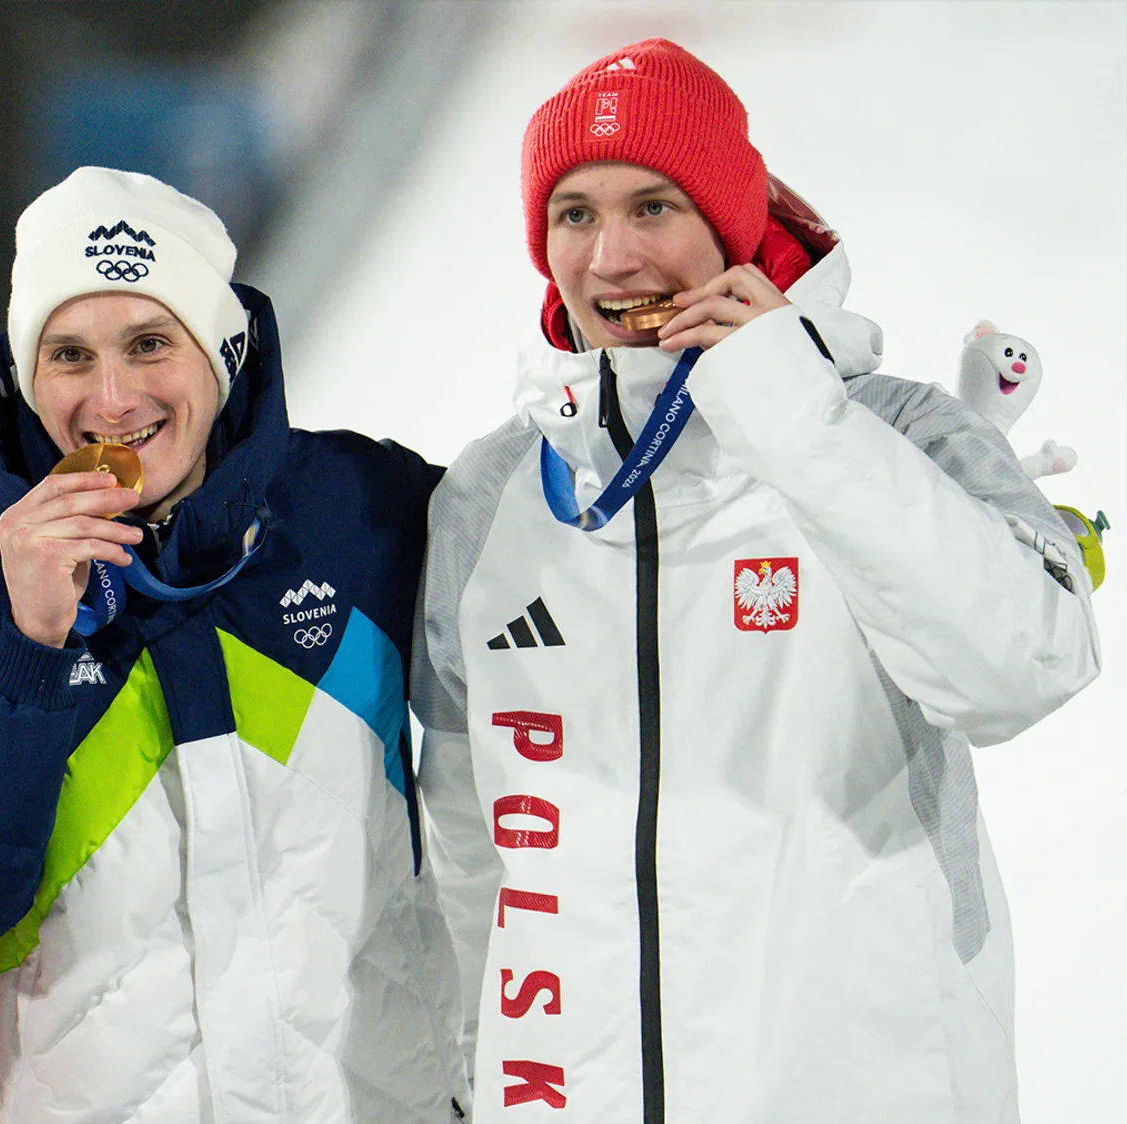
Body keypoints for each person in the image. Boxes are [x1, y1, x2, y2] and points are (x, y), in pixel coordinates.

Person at [412, 40, 1101, 1122]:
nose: (611, 258)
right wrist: (467, 1074)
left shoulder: (895, 428)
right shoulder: (489, 495)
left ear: (729, 226)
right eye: (574, 215)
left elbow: (1024, 665)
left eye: (653, 206)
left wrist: (788, 410)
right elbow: (467, 843)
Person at [0, 166, 463, 1121]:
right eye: (67, 355)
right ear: (26, 376)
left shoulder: (359, 506)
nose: (111, 399)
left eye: (149, 343)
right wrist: (28, 647)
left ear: (219, 354)